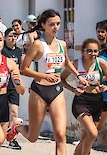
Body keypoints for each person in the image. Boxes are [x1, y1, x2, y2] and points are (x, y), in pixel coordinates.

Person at [7, 9, 87, 155]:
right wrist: (43, 75)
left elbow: (67, 63)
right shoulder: (37, 45)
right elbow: (23, 69)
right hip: (39, 91)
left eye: (58, 24)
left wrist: (78, 76)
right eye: (52, 24)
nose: (56, 27)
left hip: (56, 90)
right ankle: (17, 126)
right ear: (43, 25)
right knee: (32, 136)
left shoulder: (62, 44)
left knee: (60, 135)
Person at [61, 38, 107, 155]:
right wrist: (73, 90)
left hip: (97, 101)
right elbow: (61, 79)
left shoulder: (101, 63)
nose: (93, 54)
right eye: (89, 51)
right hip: (81, 102)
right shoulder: (76, 63)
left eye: (95, 51)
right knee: (93, 133)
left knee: (85, 138)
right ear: (83, 51)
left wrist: (106, 87)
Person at [1, 28, 23, 150]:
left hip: (14, 86)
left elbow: (21, 69)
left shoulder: (19, 52)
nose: (13, 38)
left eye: (15, 36)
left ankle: (12, 139)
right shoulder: (2, 51)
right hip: (2, 86)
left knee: (14, 112)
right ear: (5, 38)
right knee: (3, 113)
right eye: (10, 36)